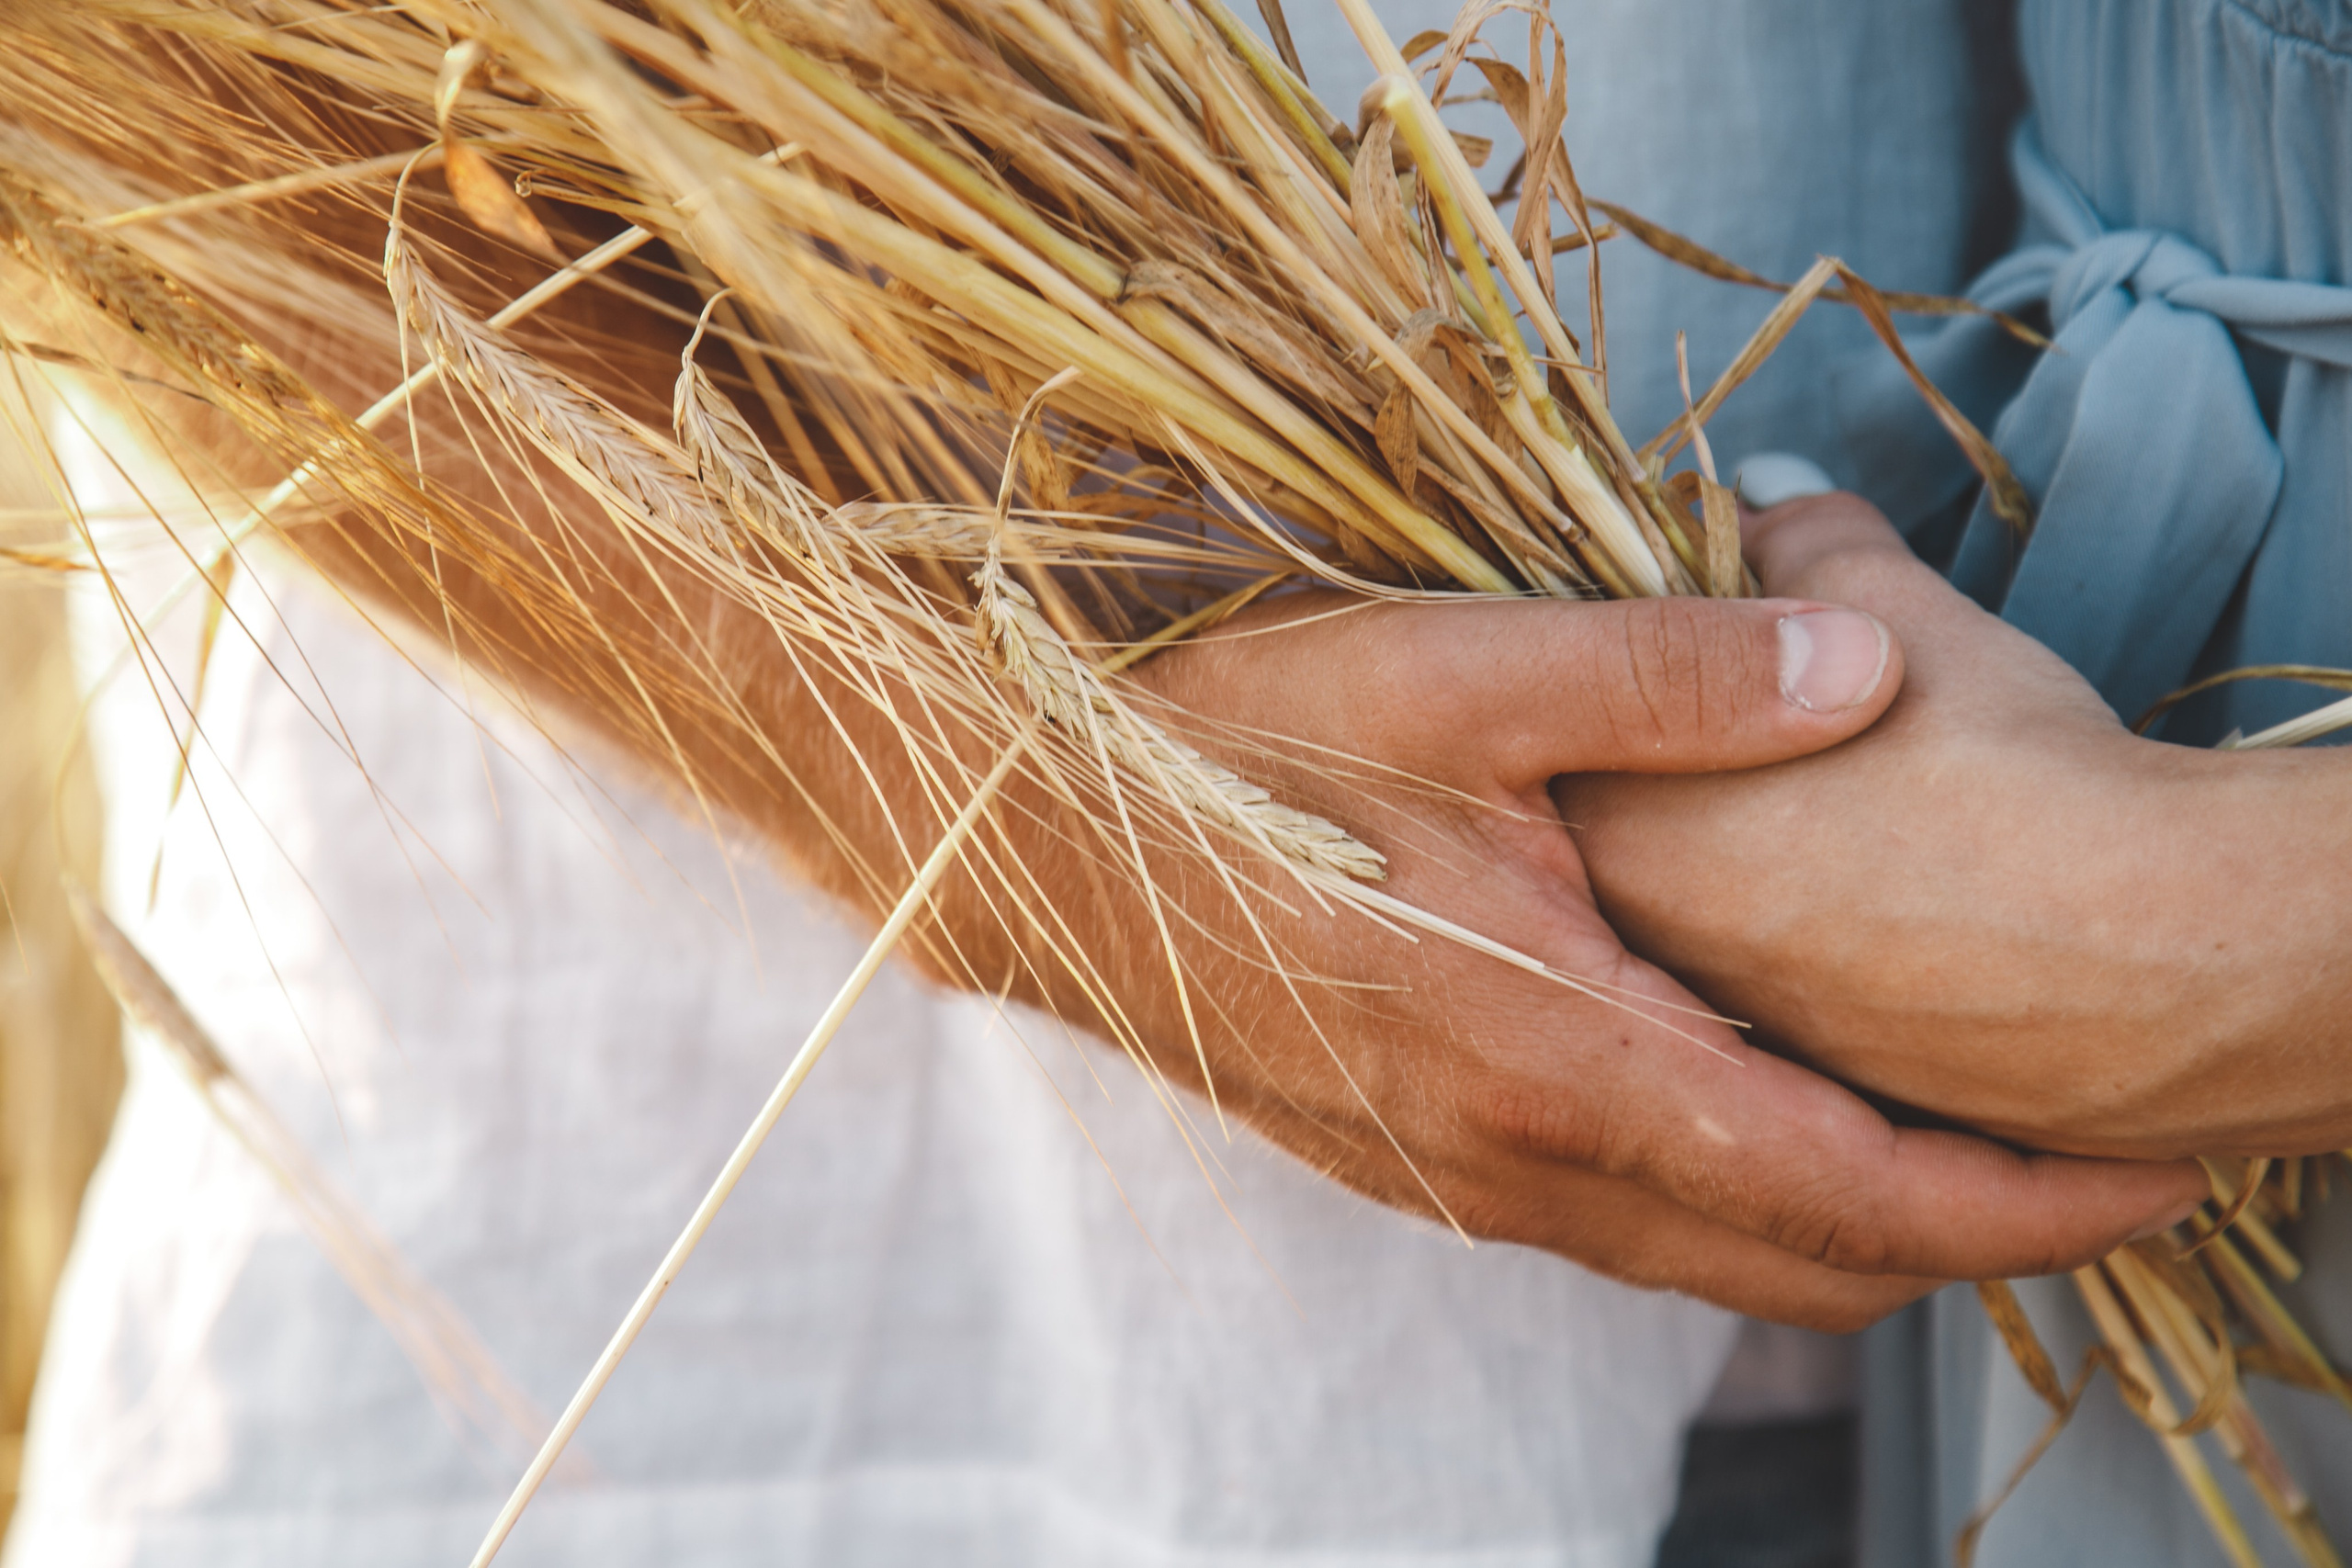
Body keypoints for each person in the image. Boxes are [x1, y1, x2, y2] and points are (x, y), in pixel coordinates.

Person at [6, 2, 2317, 1567]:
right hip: (723, 1302)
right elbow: (114, 108)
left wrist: (2188, 926)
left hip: (1948, 1290)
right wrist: (1003, 806)